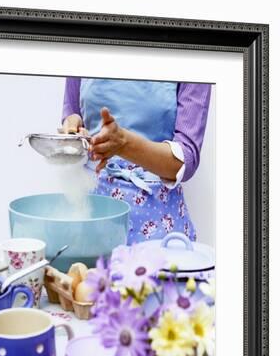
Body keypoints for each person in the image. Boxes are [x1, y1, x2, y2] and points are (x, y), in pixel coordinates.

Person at [61, 78, 211, 243]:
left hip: (157, 221)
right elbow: (73, 114)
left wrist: (125, 144)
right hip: (91, 213)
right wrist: (72, 129)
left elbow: (186, 160)